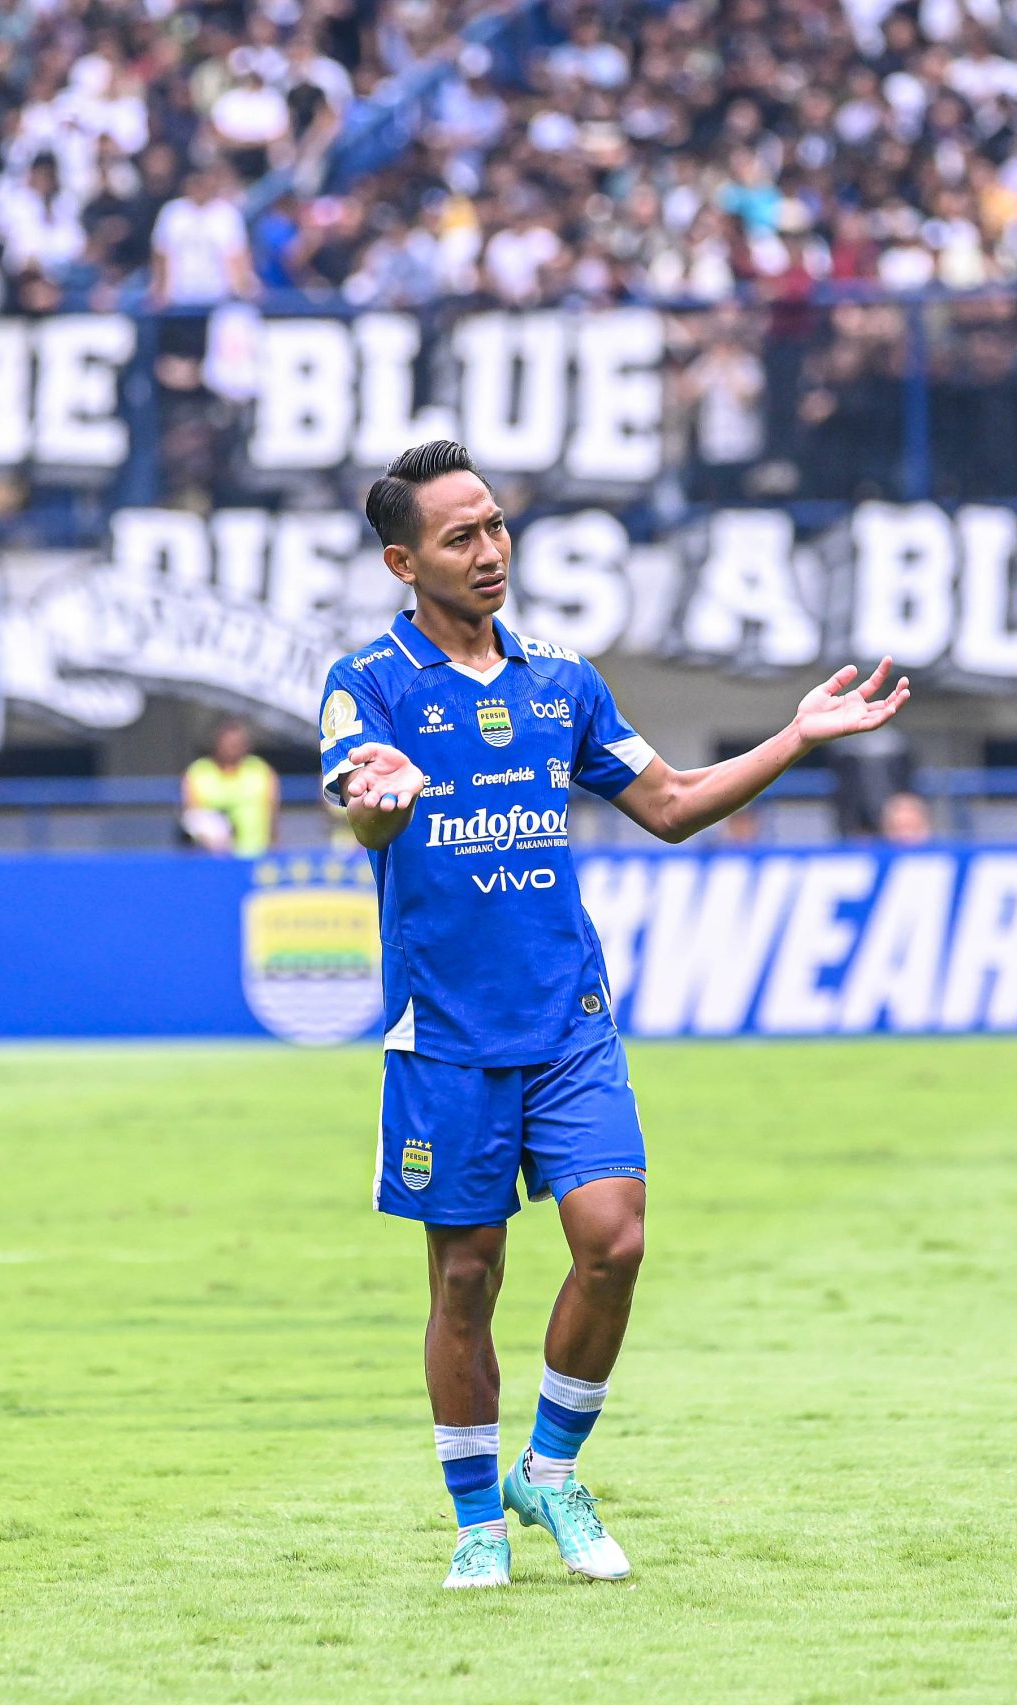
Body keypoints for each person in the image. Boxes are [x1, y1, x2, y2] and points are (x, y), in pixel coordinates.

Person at [320, 441, 911, 1591]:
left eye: (495, 525)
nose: (489, 550)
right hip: (445, 1032)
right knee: (465, 1279)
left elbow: (671, 803)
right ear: (403, 562)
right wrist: (382, 803)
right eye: (458, 536)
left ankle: (549, 1471)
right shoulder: (370, 681)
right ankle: (477, 1524)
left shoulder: (561, 680)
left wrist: (793, 737)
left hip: (568, 1019)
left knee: (615, 1241)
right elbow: (363, 802)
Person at [181, 718, 280, 857]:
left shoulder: (261, 771)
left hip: (256, 854)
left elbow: (273, 814)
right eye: (228, 744)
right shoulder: (198, 772)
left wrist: (274, 846)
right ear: (217, 744)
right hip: (215, 859)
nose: (232, 748)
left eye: (237, 744)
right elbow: (192, 815)